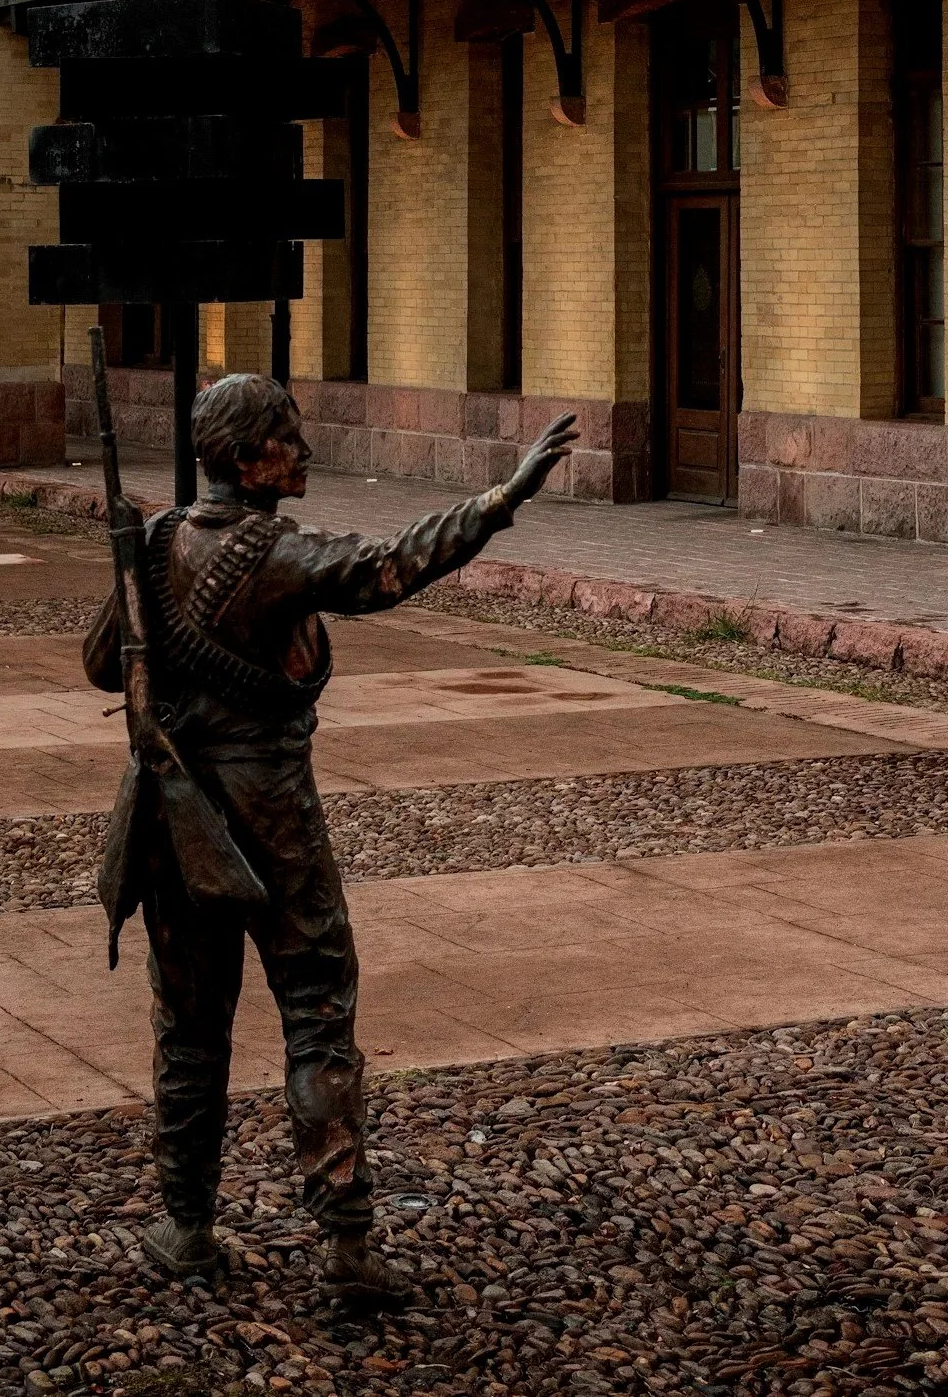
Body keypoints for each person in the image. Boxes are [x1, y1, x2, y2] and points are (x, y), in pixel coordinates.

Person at [83, 373, 577, 1302]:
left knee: (189, 1024)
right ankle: (344, 1238)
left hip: (175, 811)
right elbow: (393, 565)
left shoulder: (155, 541)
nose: (303, 451)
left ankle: (186, 1223)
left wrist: (133, 580)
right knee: (316, 1008)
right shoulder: (277, 552)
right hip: (270, 812)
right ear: (244, 458)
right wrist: (502, 498)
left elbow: (99, 663)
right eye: (287, 437)